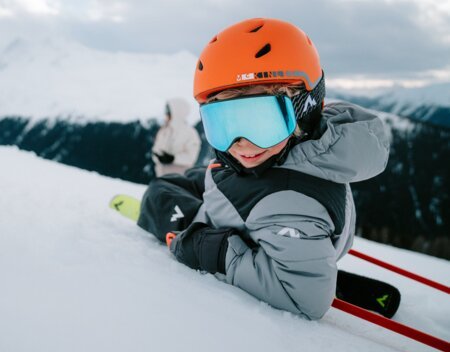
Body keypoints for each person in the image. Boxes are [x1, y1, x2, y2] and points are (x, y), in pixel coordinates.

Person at [137, 18, 390, 320]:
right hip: (240, 190)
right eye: (223, 124)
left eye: (260, 121)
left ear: (304, 109)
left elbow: (305, 300)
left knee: (157, 196)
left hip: (217, 223)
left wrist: (214, 252)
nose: (242, 143)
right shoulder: (311, 147)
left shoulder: (291, 205)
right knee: (192, 178)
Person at [151, 97, 201, 177]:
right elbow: (155, 151)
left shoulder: (190, 133)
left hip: (180, 179)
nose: (166, 115)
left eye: (168, 112)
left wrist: (173, 158)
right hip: (161, 177)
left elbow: (191, 157)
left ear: (176, 112)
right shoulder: (164, 131)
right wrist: (159, 157)